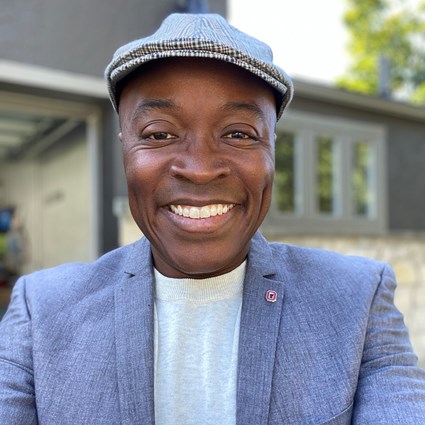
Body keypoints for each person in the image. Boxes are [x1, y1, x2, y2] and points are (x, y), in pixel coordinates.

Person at [0, 13, 424, 425]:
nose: (200, 169)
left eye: (239, 133)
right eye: (158, 134)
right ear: (125, 148)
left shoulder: (357, 300)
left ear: (272, 150)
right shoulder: (42, 310)